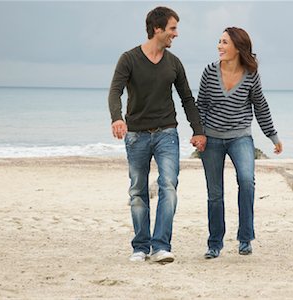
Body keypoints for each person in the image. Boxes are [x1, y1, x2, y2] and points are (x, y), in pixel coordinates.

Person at [108, 6, 206, 264]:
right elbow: (115, 91)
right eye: (172, 28)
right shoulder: (128, 59)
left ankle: (161, 245)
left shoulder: (174, 63)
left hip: (167, 133)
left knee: (169, 186)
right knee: (138, 191)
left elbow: (187, 98)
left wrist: (198, 131)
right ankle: (140, 246)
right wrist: (117, 118)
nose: (176, 34)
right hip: (136, 135)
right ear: (157, 29)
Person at [196, 27, 283, 259]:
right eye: (219, 41)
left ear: (237, 47)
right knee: (215, 193)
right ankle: (215, 243)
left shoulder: (251, 75)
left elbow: (260, 106)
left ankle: (245, 238)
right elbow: (201, 105)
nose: (219, 46)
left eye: (224, 42)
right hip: (212, 139)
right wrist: (200, 134)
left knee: (247, 181)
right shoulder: (209, 71)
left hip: (240, 137)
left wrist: (272, 136)